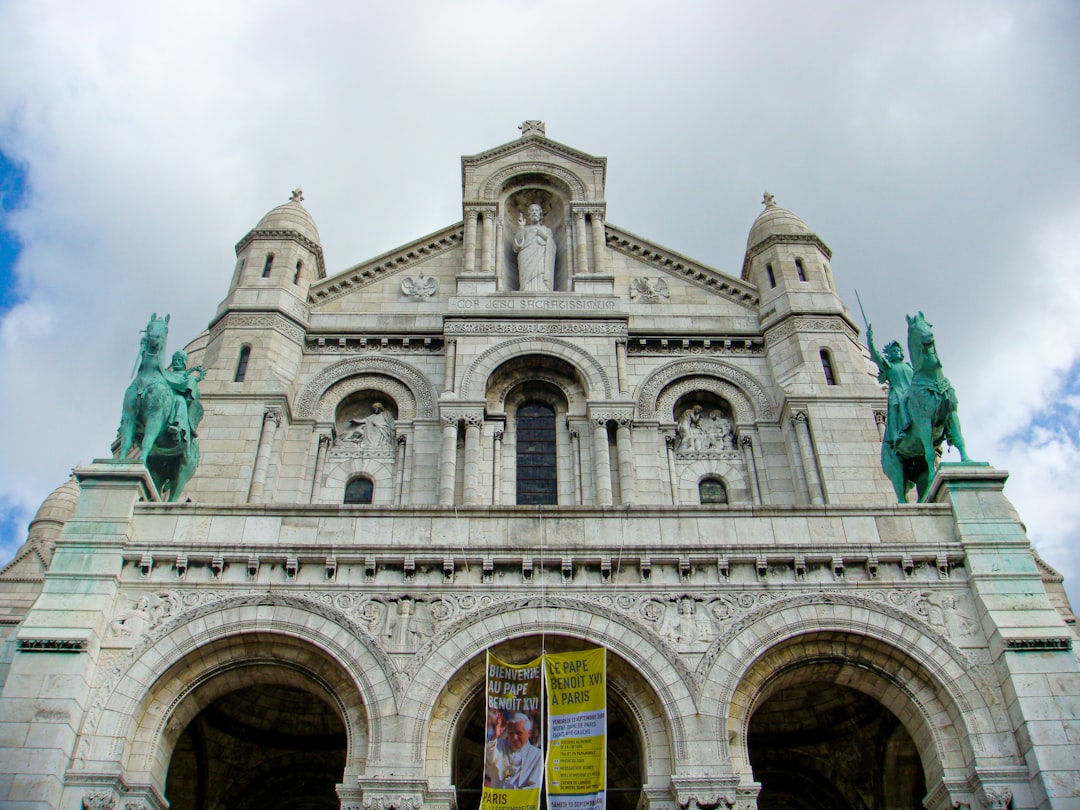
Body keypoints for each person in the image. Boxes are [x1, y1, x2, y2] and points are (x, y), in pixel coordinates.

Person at [867, 326, 912, 445]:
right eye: (893, 351)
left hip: (911, 393)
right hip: (896, 393)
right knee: (894, 407)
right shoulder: (888, 366)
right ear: (889, 355)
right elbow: (875, 355)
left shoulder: (908, 366)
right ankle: (896, 434)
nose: (896, 352)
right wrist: (870, 340)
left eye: (898, 350)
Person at [484, 711, 544, 789]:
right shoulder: (500, 745)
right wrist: (494, 736)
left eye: (519, 733)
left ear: (528, 733)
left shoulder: (537, 755)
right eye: (511, 733)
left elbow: (534, 787)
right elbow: (489, 759)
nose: (514, 738)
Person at [162, 350, 205, 450]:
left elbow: (193, 392)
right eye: (175, 360)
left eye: (179, 361)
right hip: (164, 396)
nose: (176, 362)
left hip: (176, 398)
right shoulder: (165, 373)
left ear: (184, 363)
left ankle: (178, 427)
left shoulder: (188, 377)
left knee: (180, 401)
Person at [513, 203, 556, 292]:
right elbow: (517, 245)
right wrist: (521, 227)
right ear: (529, 215)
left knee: (540, 273)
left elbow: (552, 247)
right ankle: (525, 290)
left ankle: (543, 289)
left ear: (540, 214)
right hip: (526, 257)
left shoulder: (546, 230)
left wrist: (545, 237)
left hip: (541, 258)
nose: (534, 213)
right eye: (532, 211)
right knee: (526, 279)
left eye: (536, 211)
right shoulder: (525, 229)